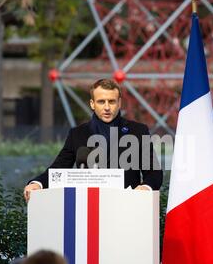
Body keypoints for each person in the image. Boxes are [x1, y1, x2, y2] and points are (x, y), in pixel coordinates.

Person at [24, 79, 163, 201]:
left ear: (119, 103)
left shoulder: (138, 131)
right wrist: (37, 183)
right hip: (88, 211)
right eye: (101, 102)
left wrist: (146, 187)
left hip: (127, 207)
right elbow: (58, 168)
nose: (107, 107)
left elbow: (154, 172)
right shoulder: (77, 134)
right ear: (92, 104)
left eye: (112, 101)